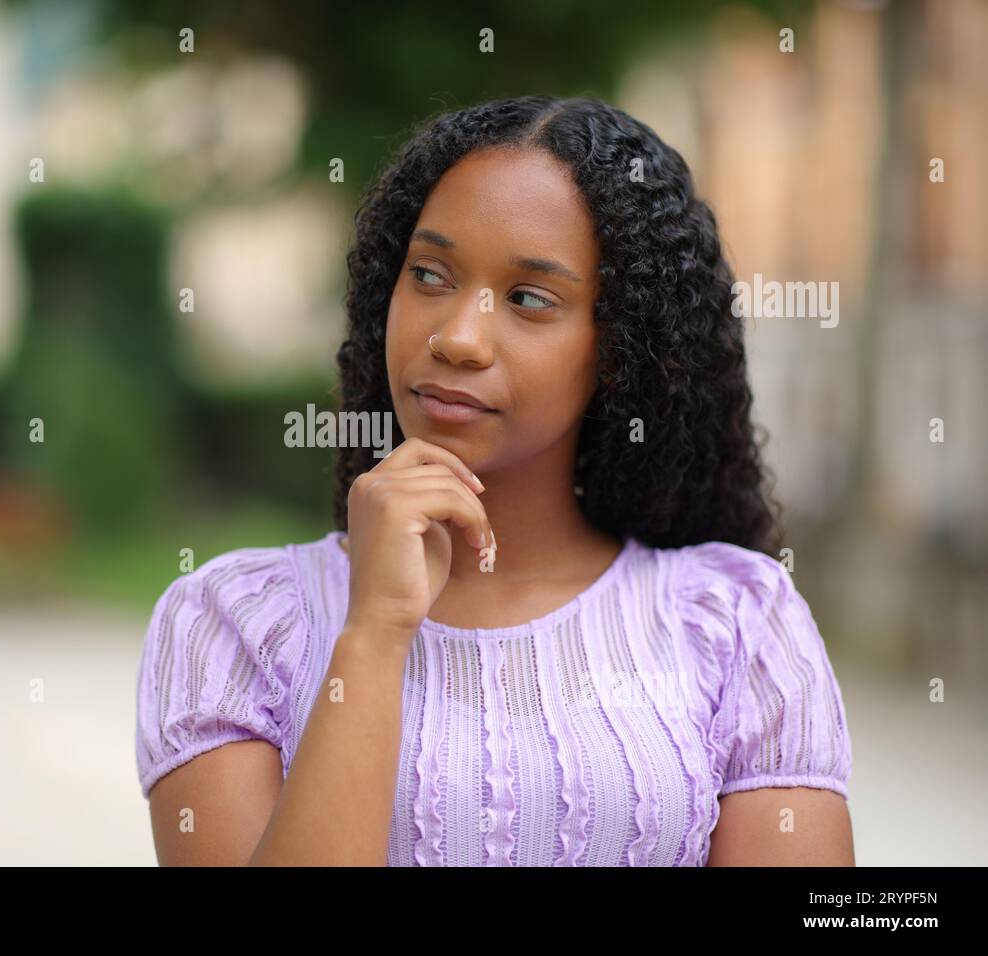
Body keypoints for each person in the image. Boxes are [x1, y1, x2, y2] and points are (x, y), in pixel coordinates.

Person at [134, 95, 855, 866]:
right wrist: (374, 635)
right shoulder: (232, 626)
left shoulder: (737, 622)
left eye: (528, 299)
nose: (457, 337)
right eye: (430, 275)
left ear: (615, 348)